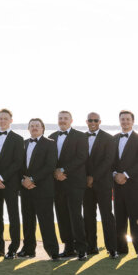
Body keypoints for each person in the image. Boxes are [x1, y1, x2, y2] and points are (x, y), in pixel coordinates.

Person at [48, 110, 88, 259]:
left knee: (76, 215)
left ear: (71, 121)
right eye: (60, 118)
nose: (63, 121)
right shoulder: (51, 137)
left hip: (75, 182)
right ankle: (68, 247)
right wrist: (54, 172)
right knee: (62, 216)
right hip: (57, 184)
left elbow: (81, 157)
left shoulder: (80, 136)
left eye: (65, 118)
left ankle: (82, 249)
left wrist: (63, 170)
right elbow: (48, 160)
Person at [19, 118, 60, 259]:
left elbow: (50, 166)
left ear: (43, 128)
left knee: (46, 222)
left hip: (43, 189)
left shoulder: (50, 144)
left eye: (37, 126)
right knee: (28, 222)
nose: (34, 128)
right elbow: (19, 166)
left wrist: (32, 179)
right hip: (25, 189)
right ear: (28, 128)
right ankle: (29, 249)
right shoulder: (23, 144)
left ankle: (53, 251)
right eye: (32, 126)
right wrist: (23, 180)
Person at [112, 110, 138, 258]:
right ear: (119, 121)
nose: (125, 122)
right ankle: (121, 248)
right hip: (117, 185)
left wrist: (125, 175)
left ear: (132, 121)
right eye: (123, 119)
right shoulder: (113, 139)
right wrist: (115, 175)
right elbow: (110, 161)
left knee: (136, 217)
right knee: (119, 218)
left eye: (128, 119)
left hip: (134, 185)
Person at [0, 109, 24, 259]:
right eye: (0, 118)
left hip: (10, 183)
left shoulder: (18, 138)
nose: (2, 121)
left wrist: (2, 177)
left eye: (5, 118)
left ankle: (13, 248)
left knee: (13, 216)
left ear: (11, 120)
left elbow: (18, 162)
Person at [83, 112, 118, 257]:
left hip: (103, 183)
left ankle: (112, 248)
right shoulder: (81, 137)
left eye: (95, 120)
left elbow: (108, 161)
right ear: (86, 122)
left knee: (107, 216)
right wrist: (86, 178)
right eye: (90, 120)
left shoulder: (108, 138)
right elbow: (80, 159)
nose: (93, 122)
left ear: (99, 121)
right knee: (88, 216)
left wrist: (93, 177)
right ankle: (91, 247)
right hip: (85, 184)